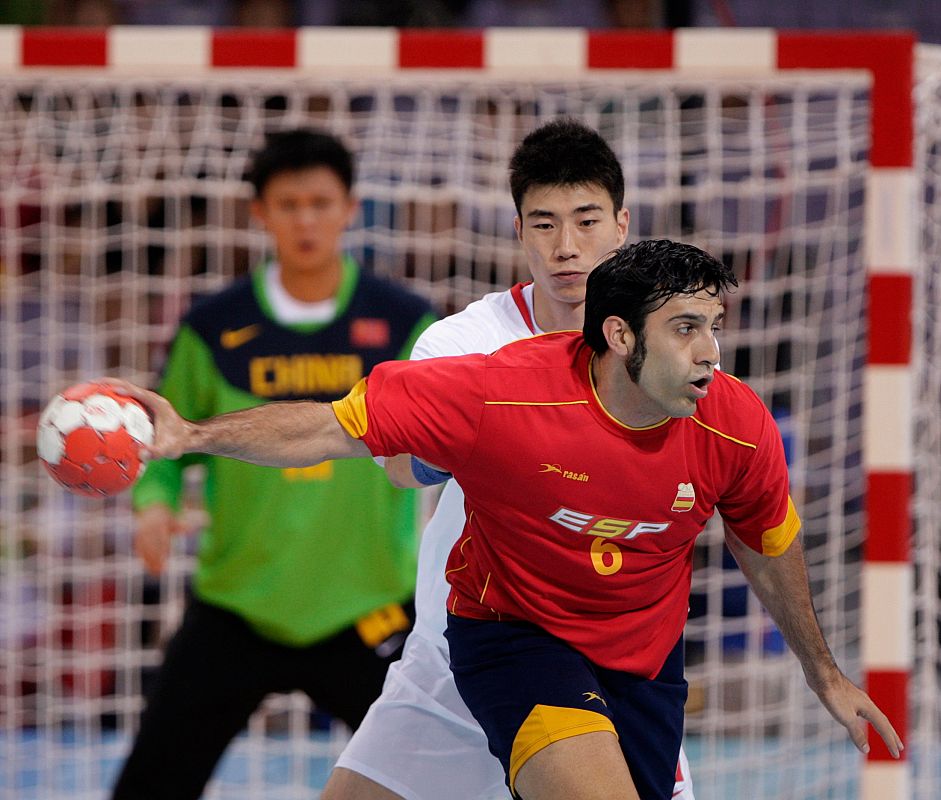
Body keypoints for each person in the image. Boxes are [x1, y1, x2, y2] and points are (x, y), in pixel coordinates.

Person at [107, 238, 903, 800]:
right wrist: (191, 437)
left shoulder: (734, 423)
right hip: (513, 636)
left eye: (715, 327)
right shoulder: (500, 391)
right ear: (620, 335)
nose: (710, 354)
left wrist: (822, 671)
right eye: (686, 330)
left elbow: (768, 546)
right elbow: (329, 427)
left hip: (639, 665)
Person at [322, 118, 694, 800]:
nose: (566, 248)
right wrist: (453, 447)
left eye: (585, 222)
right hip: (458, 660)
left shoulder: (663, 351)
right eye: (544, 225)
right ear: (519, 232)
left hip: (603, 667)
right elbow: (400, 464)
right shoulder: (463, 342)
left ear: (621, 226)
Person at [110, 128, 436, 800]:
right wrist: (153, 503)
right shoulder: (211, 326)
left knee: (442, 783)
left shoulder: (406, 323)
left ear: (350, 207)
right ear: (259, 214)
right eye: (288, 204)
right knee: (148, 786)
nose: (306, 219)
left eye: (321, 202)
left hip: (368, 609)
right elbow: (163, 439)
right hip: (238, 606)